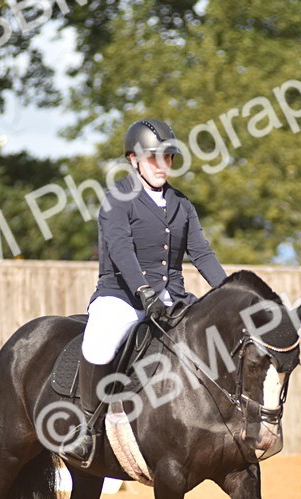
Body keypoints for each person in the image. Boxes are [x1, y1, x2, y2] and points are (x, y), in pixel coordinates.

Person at [61, 119, 228, 465]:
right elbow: (121, 249)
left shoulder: (182, 205)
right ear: (133, 159)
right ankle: (87, 430)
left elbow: (202, 253)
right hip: (122, 295)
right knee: (101, 340)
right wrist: (142, 289)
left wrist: (227, 292)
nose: (162, 165)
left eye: (168, 158)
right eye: (154, 158)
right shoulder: (118, 199)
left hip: (174, 298)